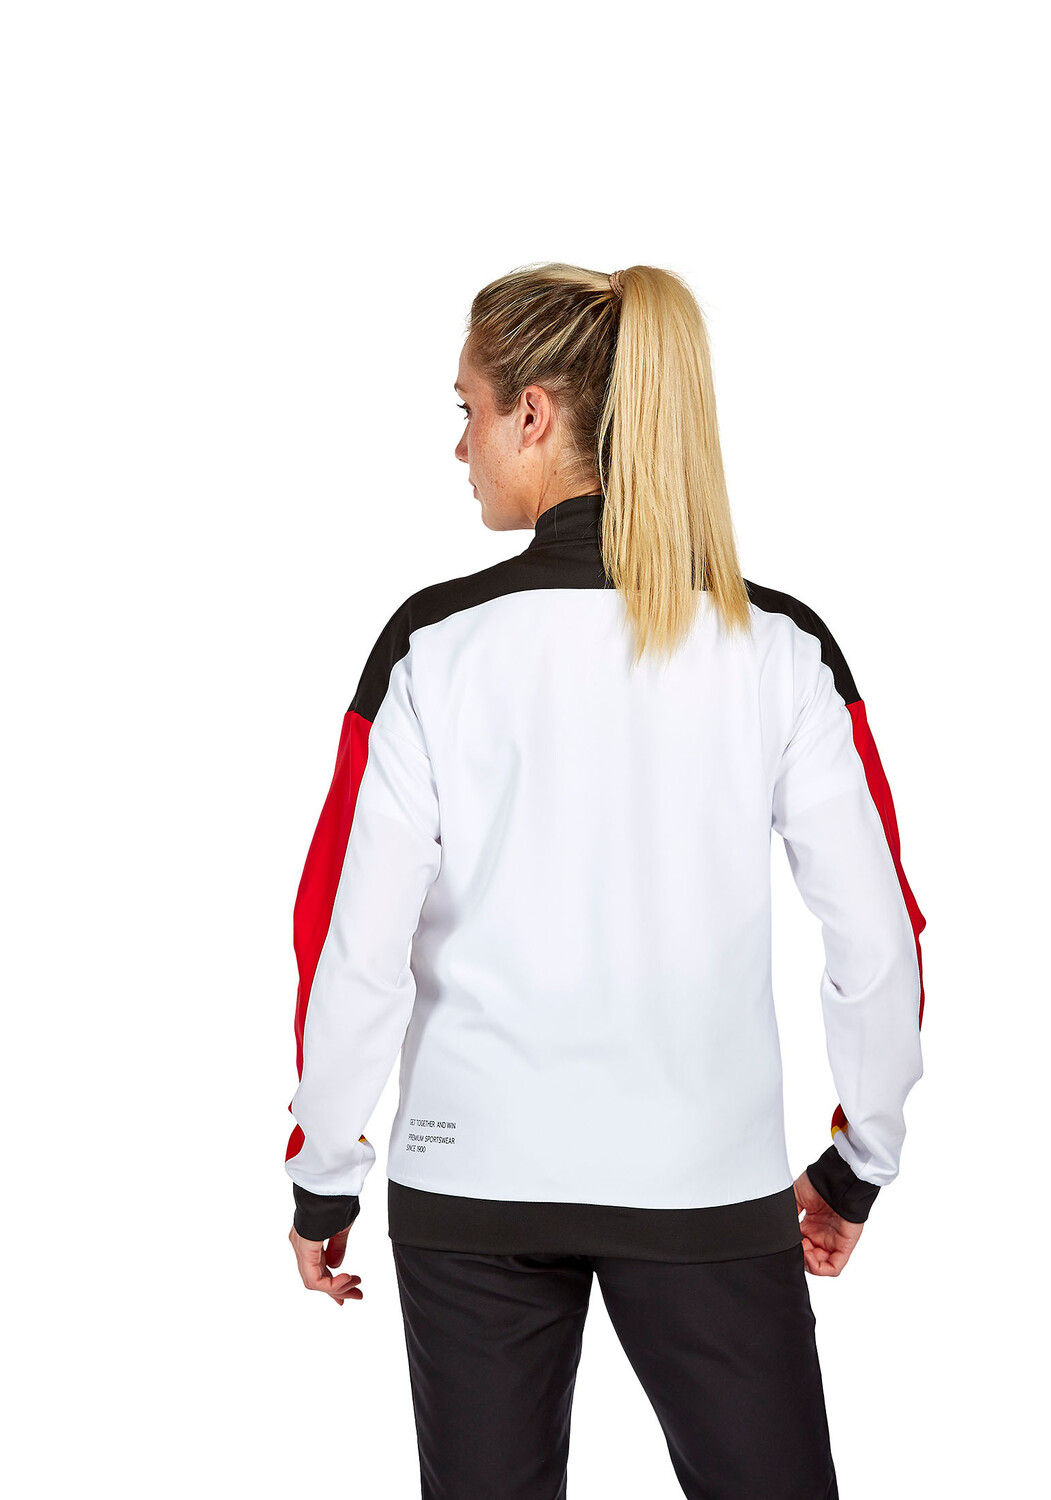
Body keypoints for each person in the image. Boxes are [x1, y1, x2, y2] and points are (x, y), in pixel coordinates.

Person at [284, 262, 926, 1500]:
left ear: (532, 414)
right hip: (702, 1180)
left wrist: (323, 1173)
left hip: (470, 1183)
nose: (459, 446)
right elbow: (877, 935)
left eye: (467, 409)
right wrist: (861, 1155)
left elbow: (350, 943)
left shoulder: (431, 647)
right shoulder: (776, 647)